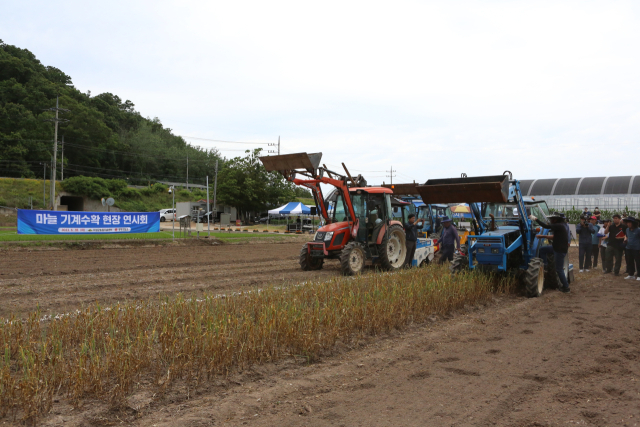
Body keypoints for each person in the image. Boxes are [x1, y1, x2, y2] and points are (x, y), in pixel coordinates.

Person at [530, 212, 570, 293]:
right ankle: (545, 265)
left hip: (559, 250)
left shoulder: (559, 225)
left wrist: (535, 219)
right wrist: (542, 236)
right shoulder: (561, 226)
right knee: (542, 250)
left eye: (551, 219)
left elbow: (545, 226)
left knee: (559, 269)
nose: (550, 220)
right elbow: (554, 237)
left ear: (555, 220)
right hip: (556, 248)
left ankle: (566, 287)